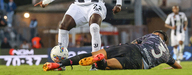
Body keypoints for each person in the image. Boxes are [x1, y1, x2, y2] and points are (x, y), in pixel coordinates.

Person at [42, 30, 182, 71]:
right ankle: (100, 62)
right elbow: (178, 66)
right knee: (107, 66)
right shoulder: (167, 54)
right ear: (165, 41)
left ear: (158, 35)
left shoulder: (152, 36)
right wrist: (170, 68)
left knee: (91, 54)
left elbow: (135, 42)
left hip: (130, 48)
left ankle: (58, 64)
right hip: (139, 62)